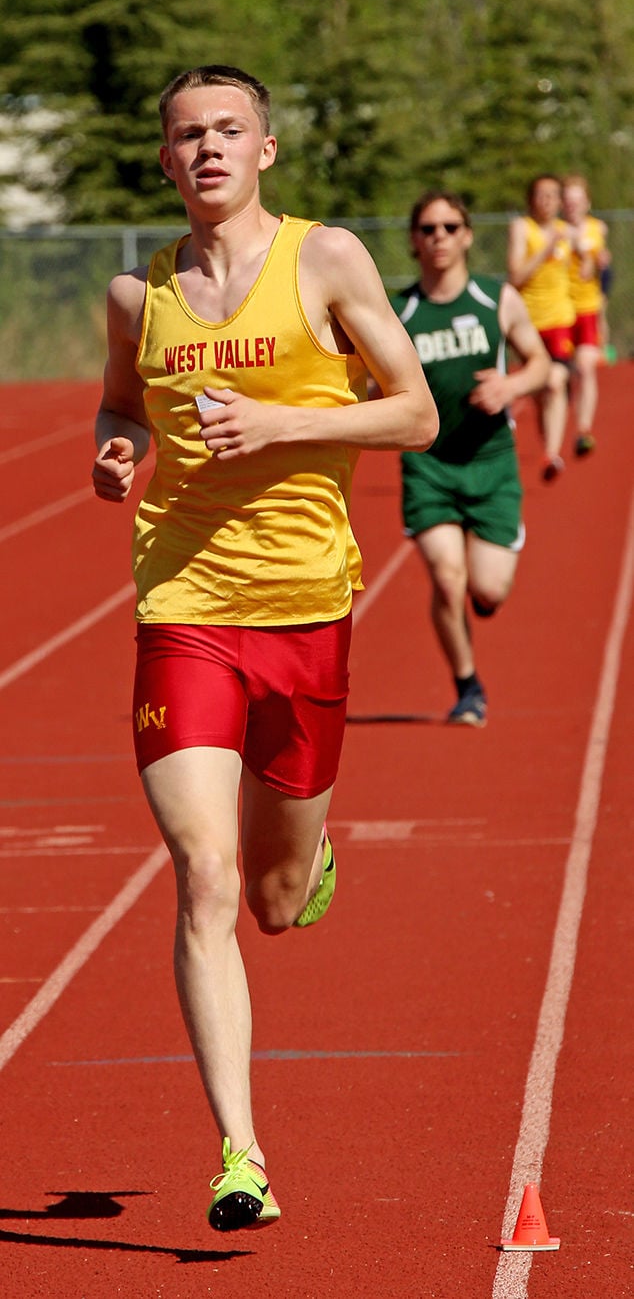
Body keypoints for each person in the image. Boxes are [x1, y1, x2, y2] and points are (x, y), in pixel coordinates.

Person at [91, 64, 438, 1233]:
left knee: (277, 901)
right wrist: (112, 449)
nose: (207, 150)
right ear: (164, 160)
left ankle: (312, 857)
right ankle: (239, 1151)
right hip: (182, 608)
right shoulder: (138, 298)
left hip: (307, 610)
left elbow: (416, 412)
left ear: (265, 149)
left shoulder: (325, 259)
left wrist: (287, 420)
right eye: (186, 135)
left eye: (228, 130)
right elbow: (118, 406)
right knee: (204, 877)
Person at [393, 191, 550, 727]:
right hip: (429, 464)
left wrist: (510, 386)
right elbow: (366, 380)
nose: (439, 237)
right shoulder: (400, 310)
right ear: (414, 239)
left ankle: (482, 595)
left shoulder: (495, 298)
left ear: (467, 234)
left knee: (487, 589)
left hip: (491, 460)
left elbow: (541, 364)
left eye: (450, 227)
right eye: (428, 228)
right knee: (446, 576)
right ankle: (468, 687)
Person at [507, 173, 575, 481]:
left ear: (560, 201)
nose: (546, 201)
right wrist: (546, 250)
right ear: (531, 199)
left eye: (552, 195)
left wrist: (594, 261)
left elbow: (583, 272)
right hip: (529, 322)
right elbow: (516, 276)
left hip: (561, 319)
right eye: (541, 195)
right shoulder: (523, 229)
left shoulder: (567, 232)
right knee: (539, 390)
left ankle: (552, 453)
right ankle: (550, 441)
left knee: (555, 382)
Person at [561, 174, 611, 456]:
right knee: (563, 372)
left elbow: (597, 269)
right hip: (560, 309)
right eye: (568, 202)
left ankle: (583, 429)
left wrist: (594, 256)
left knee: (586, 367)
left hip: (587, 307)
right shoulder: (555, 231)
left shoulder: (596, 228)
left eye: (577, 202)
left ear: (586, 203)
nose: (572, 207)